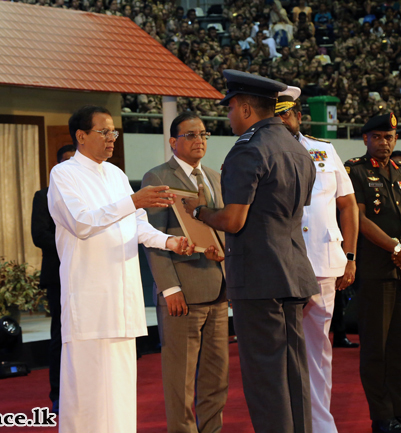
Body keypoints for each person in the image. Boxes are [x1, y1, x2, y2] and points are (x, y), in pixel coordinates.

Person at [183, 70, 318, 433]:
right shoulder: (297, 148)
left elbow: (233, 219)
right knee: (293, 370)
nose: (228, 117)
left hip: (259, 276)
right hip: (293, 270)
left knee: (265, 375)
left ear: (244, 108)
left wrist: (198, 211)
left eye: (230, 108)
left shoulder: (248, 147)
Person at [47, 105, 194, 433]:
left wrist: (170, 242)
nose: (112, 138)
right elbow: (81, 223)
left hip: (122, 300)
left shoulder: (114, 174)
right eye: (104, 132)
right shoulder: (64, 174)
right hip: (90, 299)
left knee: (122, 393)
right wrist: (134, 201)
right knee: (86, 395)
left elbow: (138, 226)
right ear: (81, 136)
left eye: (114, 132)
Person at [345, 113, 401, 433]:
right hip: (375, 270)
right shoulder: (354, 170)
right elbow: (359, 218)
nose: (385, 143)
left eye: (390, 137)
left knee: (398, 346)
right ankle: (381, 417)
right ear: (366, 139)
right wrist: (395, 248)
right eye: (379, 137)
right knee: (376, 349)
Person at [276, 86, 359, 433]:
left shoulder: (325, 151)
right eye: (277, 114)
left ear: (298, 115)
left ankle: (321, 423)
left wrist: (350, 257)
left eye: (288, 113)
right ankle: (289, 422)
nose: (284, 119)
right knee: (282, 349)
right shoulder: (260, 152)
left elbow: (348, 205)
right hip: (283, 264)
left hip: (324, 263)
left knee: (319, 350)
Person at [141, 112, 228, 433]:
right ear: (173, 141)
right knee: (180, 380)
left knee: (216, 377)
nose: (199, 140)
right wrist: (169, 288)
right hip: (183, 293)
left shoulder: (215, 178)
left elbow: (223, 230)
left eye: (203, 134)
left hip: (218, 290)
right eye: (191, 135)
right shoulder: (157, 178)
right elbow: (153, 238)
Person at [31, 144, 76, 415]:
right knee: (60, 336)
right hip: (59, 274)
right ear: (57, 167)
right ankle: (58, 395)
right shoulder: (44, 195)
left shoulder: (91, 196)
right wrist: (74, 245)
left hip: (90, 276)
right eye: (66, 162)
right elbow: (40, 235)